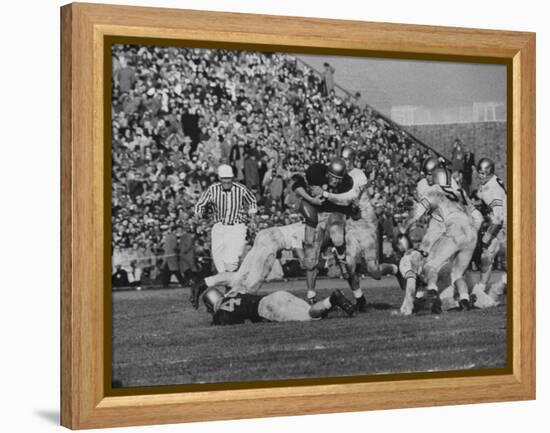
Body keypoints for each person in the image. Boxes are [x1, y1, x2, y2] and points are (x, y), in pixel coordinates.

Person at [402, 167, 479, 311]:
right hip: (472, 232)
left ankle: (432, 293)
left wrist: (404, 226)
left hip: (455, 231)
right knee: (457, 273)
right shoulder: (459, 192)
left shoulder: (434, 191)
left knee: (430, 266)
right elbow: (477, 216)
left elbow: (418, 212)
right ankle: (464, 299)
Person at [190, 222, 305, 307]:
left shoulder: (307, 224)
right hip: (274, 239)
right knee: (253, 282)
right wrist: (303, 259)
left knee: (240, 276)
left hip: (266, 234)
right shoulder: (311, 227)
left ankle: (203, 283)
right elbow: (296, 238)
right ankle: (227, 306)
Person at [291, 158, 354, 305]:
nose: (336, 181)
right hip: (316, 215)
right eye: (333, 177)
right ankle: (311, 296)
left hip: (335, 214)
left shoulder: (347, 182)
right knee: (310, 258)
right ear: (327, 173)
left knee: (337, 237)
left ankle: (340, 255)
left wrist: (325, 194)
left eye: (339, 178)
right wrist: (311, 200)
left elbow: (345, 201)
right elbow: (297, 186)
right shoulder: (316, 171)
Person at [194, 164, 257, 274]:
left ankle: (231, 278)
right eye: (224, 180)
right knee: (218, 257)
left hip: (237, 227)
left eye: (229, 180)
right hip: (219, 227)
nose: (227, 183)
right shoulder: (212, 189)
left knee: (231, 260)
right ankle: (227, 281)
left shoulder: (241, 189)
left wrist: (252, 219)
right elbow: (200, 205)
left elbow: (252, 201)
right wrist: (198, 219)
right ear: (219, 178)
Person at [202, 286, 355, 326]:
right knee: (313, 312)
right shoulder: (233, 294)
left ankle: (333, 299)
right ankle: (330, 302)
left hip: (268, 308)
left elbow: (225, 321)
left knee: (310, 316)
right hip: (276, 295)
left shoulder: (220, 313)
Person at [471, 157, 507, 305]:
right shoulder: (487, 184)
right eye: (478, 172)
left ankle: (496, 290)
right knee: (486, 257)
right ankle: (481, 291)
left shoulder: (493, 188)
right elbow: (483, 201)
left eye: (482, 172)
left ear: (488, 172)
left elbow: (498, 217)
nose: (479, 176)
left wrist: (488, 234)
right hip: (499, 225)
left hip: (505, 226)